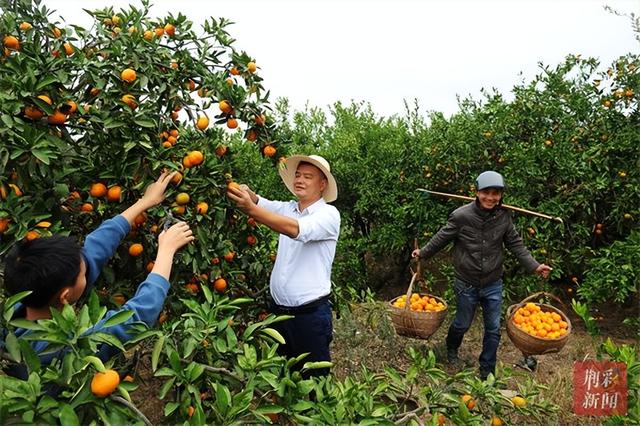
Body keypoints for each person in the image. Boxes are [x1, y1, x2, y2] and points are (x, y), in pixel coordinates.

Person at [2, 170, 194, 372]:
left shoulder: (16, 311)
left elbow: (93, 251)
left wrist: (144, 202)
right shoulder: (60, 351)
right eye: (83, 274)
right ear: (65, 296)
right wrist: (166, 251)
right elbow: (137, 318)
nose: (87, 266)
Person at [411, 171, 552, 380]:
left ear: (501, 195)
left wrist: (534, 266)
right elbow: (441, 238)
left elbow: (516, 244)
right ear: (477, 192)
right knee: (462, 323)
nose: (491, 197)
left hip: (493, 282)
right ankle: (451, 347)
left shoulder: (504, 217)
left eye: (496, 193)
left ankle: (487, 371)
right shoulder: (461, 216)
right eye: (486, 192)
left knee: (493, 329)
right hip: (466, 282)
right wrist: (422, 253)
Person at [227, 155, 340, 377]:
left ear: (322, 184)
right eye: (298, 175)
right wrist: (244, 193)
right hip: (279, 315)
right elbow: (261, 202)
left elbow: (295, 229)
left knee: (315, 382)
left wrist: (251, 209)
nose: (300, 180)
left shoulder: (328, 215)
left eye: (308, 177)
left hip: (310, 317)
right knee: (281, 379)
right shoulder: (288, 208)